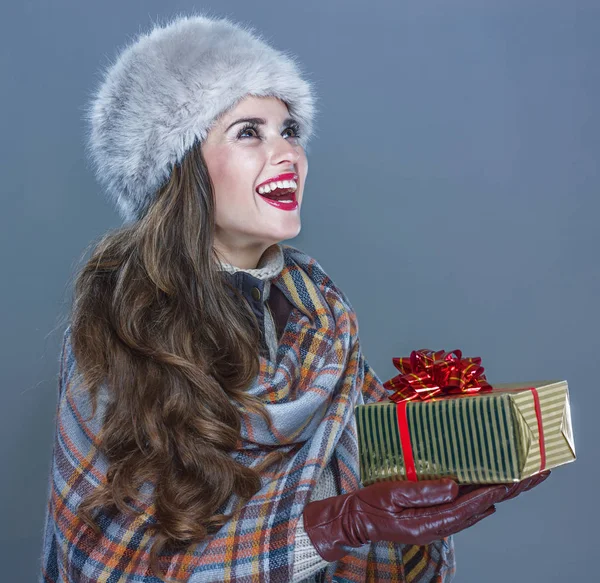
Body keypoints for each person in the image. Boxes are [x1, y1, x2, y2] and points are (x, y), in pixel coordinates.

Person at [38, 13, 549, 583]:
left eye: (290, 130)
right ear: (179, 168)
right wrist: (334, 526)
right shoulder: (116, 332)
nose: (288, 154)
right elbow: (105, 559)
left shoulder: (321, 318)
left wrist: (459, 466)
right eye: (249, 131)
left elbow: (383, 471)